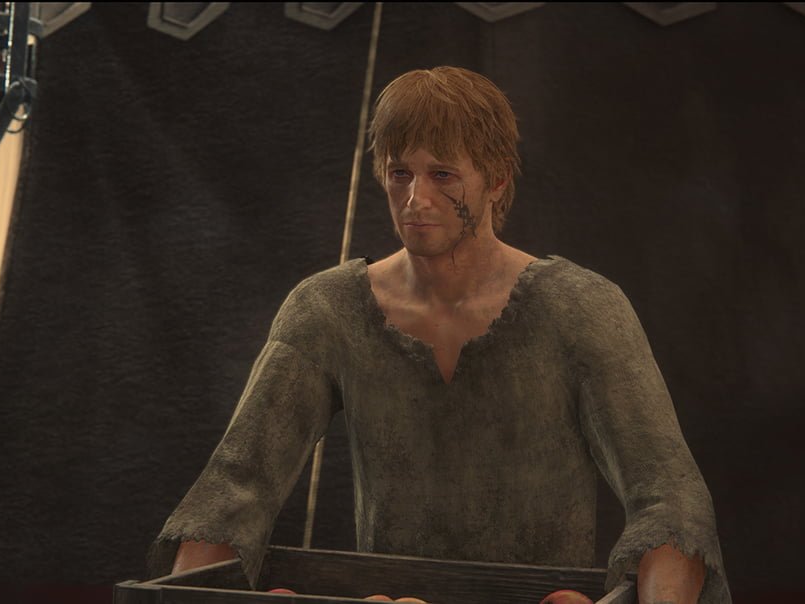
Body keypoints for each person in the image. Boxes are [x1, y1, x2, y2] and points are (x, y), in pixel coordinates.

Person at [149, 66, 732, 604]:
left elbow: (671, 503)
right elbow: (235, 490)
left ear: (496, 180)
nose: (416, 198)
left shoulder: (579, 307)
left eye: (442, 174)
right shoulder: (327, 309)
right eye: (400, 173)